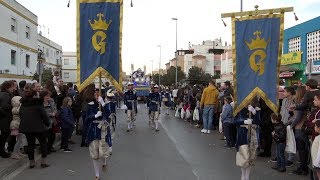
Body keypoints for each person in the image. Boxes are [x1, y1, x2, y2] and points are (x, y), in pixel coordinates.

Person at [19, 83, 50, 168]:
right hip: (38, 127)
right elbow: (44, 115)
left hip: (27, 127)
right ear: (34, 95)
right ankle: (43, 162)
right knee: (43, 143)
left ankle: (31, 163)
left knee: (30, 145)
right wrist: (47, 123)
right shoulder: (38, 103)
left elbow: (20, 114)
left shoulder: (23, 104)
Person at [234, 99, 261, 180]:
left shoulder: (256, 110)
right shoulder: (239, 109)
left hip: (252, 136)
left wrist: (254, 113)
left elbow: (259, 122)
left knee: (250, 156)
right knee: (243, 156)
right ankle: (243, 175)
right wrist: (244, 121)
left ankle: (247, 176)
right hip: (242, 135)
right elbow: (235, 121)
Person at [86, 91, 109, 179]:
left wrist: (103, 104)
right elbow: (86, 118)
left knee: (102, 152)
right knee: (95, 154)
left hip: (103, 130)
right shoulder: (90, 105)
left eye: (98, 94)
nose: (97, 96)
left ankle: (104, 162)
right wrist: (94, 116)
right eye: (95, 94)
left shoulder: (105, 104)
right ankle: (97, 175)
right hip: (93, 130)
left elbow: (109, 114)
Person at [279, 86, 296, 166]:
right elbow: (282, 111)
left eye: (284, 92)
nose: (283, 93)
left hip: (291, 124)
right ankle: (281, 156)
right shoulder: (284, 100)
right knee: (284, 140)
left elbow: (295, 115)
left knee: (291, 140)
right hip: (283, 123)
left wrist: (290, 123)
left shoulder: (295, 100)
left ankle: (290, 159)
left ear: (289, 93)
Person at [0, 81, 15, 158]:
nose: (14, 88)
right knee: (4, 136)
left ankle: (2, 152)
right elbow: (5, 106)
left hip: (3, 118)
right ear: (7, 87)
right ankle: (2, 153)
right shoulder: (5, 94)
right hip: (5, 119)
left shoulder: (3, 93)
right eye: (12, 86)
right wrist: (14, 106)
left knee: (3, 136)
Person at [311, 94, 320, 179]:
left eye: (315, 100)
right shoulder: (317, 110)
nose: (313, 101)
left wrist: (316, 121)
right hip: (315, 136)